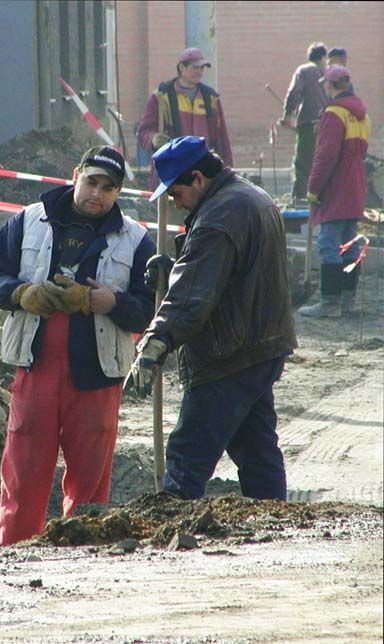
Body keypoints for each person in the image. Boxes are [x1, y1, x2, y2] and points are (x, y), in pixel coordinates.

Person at [0, 146, 156, 545]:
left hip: (97, 375)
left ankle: (82, 551)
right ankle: (14, 550)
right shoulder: (29, 221)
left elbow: (150, 309)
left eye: (108, 188)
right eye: (92, 182)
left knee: (90, 481)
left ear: (118, 192)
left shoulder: (135, 239)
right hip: (36, 365)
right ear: (76, 175)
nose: (97, 194)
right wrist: (21, 293)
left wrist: (110, 303)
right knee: (24, 470)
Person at [126, 136, 297, 501]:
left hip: (226, 355)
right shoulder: (249, 197)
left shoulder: (217, 218)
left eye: (177, 193)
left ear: (198, 179)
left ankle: (172, 523)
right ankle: (277, 522)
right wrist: (175, 269)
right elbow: (228, 274)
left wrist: (154, 343)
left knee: (187, 455)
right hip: (260, 346)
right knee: (256, 450)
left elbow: (192, 298)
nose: (176, 203)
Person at [299, 66, 370, 318]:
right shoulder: (361, 114)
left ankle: (330, 303)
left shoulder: (333, 113)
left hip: (336, 186)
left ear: (330, 85)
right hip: (356, 185)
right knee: (350, 244)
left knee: (329, 244)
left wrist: (313, 188)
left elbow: (325, 156)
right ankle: (348, 300)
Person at [137, 47, 233, 191]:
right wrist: (154, 139)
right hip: (170, 173)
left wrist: (228, 174)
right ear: (182, 67)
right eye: (195, 67)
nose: (199, 72)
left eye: (202, 68)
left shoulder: (211, 99)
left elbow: (222, 141)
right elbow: (144, 132)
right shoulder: (161, 97)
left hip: (202, 175)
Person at [280, 42, 328, 203]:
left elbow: (294, 92)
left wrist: (288, 115)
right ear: (323, 57)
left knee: (303, 163)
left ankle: (300, 199)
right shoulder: (330, 73)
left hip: (309, 124)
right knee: (324, 161)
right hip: (329, 125)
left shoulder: (304, 70)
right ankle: (322, 197)